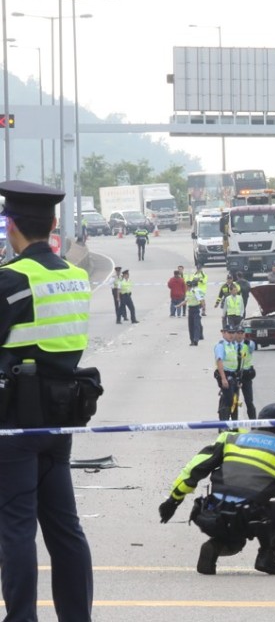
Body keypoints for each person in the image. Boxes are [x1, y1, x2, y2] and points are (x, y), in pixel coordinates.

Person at [0, 180, 95, 618]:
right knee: (64, 528)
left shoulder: (12, 280)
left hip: (14, 422)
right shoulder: (76, 279)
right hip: (59, 420)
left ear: (11, 226)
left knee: (16, 526)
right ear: (54, 224)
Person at [157, 402, 275, 576]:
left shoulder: (230, 439)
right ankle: (266, 557)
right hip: (247, 518)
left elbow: (193, 470)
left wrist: (173, 501)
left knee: (235, 540)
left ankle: (215, 547)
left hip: (210, 515)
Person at [213, 324, 245, 421]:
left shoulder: (233, 345)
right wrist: (223, 378)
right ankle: (223, 425)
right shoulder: (221, 346)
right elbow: (219, 361)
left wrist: (239, 378)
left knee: (234, 400)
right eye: (229, 333)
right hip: (225, 375)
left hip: (233, 375)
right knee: (228, 401)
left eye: (232, 333)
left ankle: (234, 425)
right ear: (223, 333)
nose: (231, 335)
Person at [179, 278, 205, 345]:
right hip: (190, 309)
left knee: (196, 325)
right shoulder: (188, 292)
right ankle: (192, 340)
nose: (186, 287)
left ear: (188, 286)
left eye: (186, 286)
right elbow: (186, 301)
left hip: (196, 309)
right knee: (190, 326)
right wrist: (179, 305)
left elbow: (201, 300)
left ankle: (196, 340)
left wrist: (203, 308)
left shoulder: (194, 291)